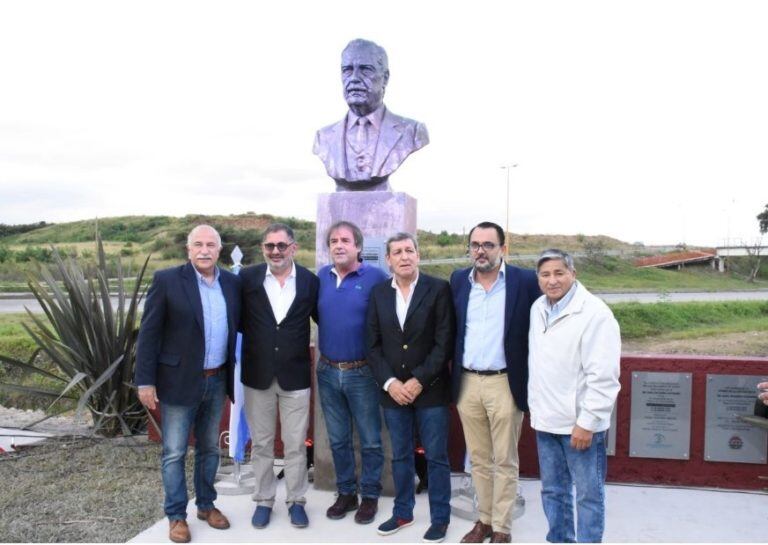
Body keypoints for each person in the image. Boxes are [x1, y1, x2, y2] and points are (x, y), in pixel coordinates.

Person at [135, 225, 241, 543]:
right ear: (188, 249)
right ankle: (176, 516)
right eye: (198, 244)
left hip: (217, 378)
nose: (204, 250)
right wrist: (145, 381)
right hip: (178, 381)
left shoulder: (232, 284)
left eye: (211, 245)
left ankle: (206, 506)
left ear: (219, 250)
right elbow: (149, 333)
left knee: (210, 448)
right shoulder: (167, 280)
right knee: (175, 452)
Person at [449, 221, 541, 544]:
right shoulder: (459, 281)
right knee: (479, 459)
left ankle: (502, 527)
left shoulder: (524, 281)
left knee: (504, 458)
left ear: (502, 248)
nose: (481, 251)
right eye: (475, 244)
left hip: (505, 381)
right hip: (468, 383)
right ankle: (484, 521)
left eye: (488, 244)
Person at [528, 248, 621, 543]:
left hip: (579, 427)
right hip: (546, 422)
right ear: (538, 278)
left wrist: (588, 422)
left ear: (573, 274)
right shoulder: (538, 309)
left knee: (588, 495)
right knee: (553, 492)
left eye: (559, 273)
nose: (552, 280)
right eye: (545, 274)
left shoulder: (595, 314)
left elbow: (603, 377)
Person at [367, 232, 454, 543]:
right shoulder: (378, 293)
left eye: (409, 250)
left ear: (418, 255)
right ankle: (403, 512)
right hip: (393, 393)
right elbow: (373, 345)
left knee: (437, 456)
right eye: (397, 252)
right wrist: (391, 383)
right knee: (400, 455)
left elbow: (444, 342)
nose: (404, 257)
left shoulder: (438, 289)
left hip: (430, 390)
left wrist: (418, 380)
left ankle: (440, 518)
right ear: (388, 259)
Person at [239, 223, 319, 529]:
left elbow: (324, 320)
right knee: (261, 443)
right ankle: (263, 500)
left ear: (294, 248)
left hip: (295, 376)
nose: (275, 251)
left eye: (281, 245)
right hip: (256, 375)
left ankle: (296, 500)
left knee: (296, 443)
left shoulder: (310, 282)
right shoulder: (247, 279)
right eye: (269, 246)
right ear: (263, 249)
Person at [316, 220, 388, 524]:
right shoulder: (321, 277)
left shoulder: (376, 278)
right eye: (333, 241)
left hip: (362, 373)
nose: (339, 245)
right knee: (338, 439)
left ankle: (369, 496)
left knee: (371, 439)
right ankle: (346, 493)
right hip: (328, 371)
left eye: (345, 240)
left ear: (358, 246)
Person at [313, 38, 429, 191]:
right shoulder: (323, 137)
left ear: (385, 78)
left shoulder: (412, 131)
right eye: (347, 70)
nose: (354, 78)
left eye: (366, 69)